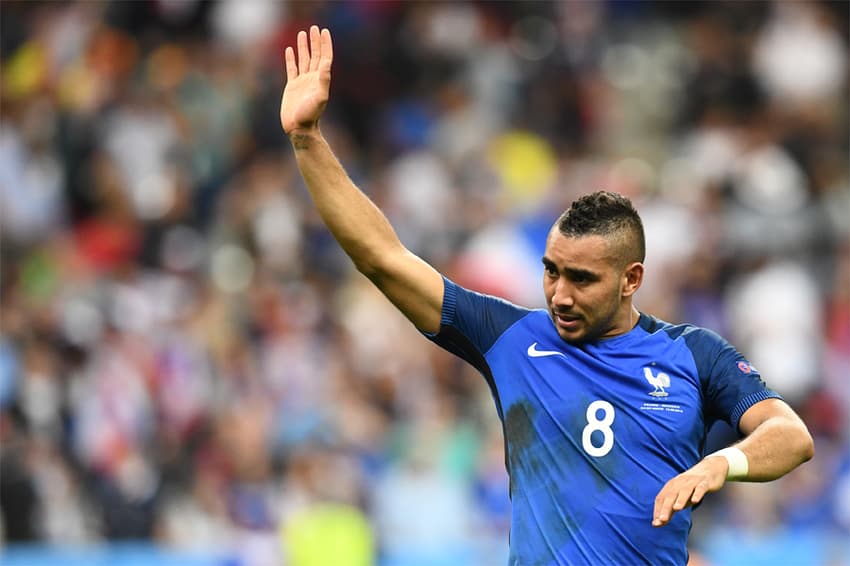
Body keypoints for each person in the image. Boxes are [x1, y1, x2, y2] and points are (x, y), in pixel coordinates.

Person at [279, 26, 815, 565]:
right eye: (551, 272)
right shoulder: (510, 337)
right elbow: (383, 257)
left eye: (582, 279)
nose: (559, 294)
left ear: (632, 279)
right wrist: (307, 140)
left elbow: (790, 435)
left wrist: (721, 464)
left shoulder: (695, 356)